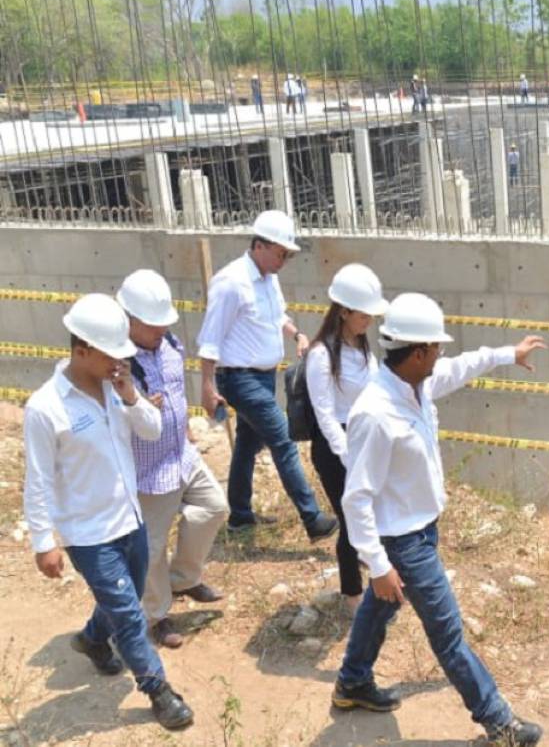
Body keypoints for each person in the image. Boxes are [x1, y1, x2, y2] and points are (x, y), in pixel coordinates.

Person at [333, 292, 546, 746]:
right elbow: (357, 498)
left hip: (420, 532)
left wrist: (509, 354)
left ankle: (352, 682)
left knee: (380, 607)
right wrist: (378, 564)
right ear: (417, 353)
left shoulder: (417, 385)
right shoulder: (376, 413)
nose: (440, 356)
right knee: (448, 635)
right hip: (403, 542)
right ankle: (499, 723)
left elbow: (461, 366)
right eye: (435, 348)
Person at [23, 293, 194, 730]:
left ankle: (92, 639)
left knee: (124, 603)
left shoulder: (116, 387)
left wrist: (131, 395)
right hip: (88, 534)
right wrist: (43, 542)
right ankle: (159, 691)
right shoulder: (45, 408)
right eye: (111, 354)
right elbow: (38, 480)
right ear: (81, 350)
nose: (120, 361)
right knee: (132, 619)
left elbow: (152, 431)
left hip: (130, 520)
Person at [196, 209, 338, 542]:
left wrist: (296, 335)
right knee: (283, 440)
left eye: (287, 255)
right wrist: (207, 385)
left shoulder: (269, 278)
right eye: (280, 253)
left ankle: (240, 516)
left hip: (262, 377)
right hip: (238, 378)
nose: (283, 261)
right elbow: (209, 338)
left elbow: (277, 317)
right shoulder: (231, 282)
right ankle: (312, 518)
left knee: (247, 445)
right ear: (259, 245)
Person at [117, 270, 229, 649]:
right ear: (129, 319)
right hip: (148, 470)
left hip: (181, 455)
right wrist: (137, 406)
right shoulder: (117, 364)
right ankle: (157, 614)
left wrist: (184, 429)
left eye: (163, 322)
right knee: (151, 548)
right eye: (153, 325)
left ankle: (183, 579)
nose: (161, 330)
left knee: (214, 508)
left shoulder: (170, 344)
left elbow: (177, 392)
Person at [305, 264, 389, 615]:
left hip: (364, 438)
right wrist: (347, 455)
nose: (369, 320)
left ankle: (370, 564)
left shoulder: (361, 347)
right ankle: (352, 594)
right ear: (343, 312)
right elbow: (324, 414)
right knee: (351, 517)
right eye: (363, 314)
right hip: (336, 447)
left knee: (371, 512)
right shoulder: (322, 355)